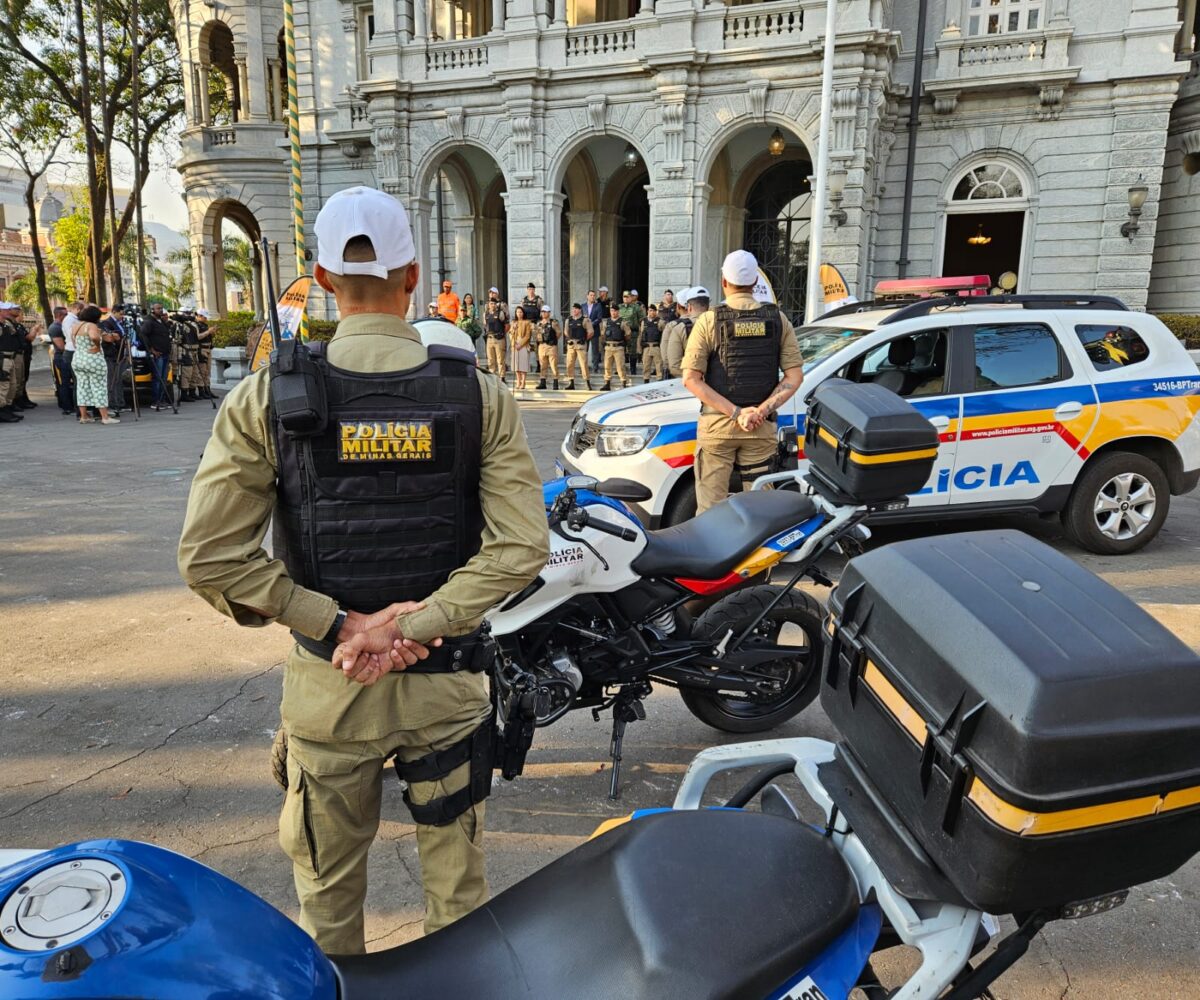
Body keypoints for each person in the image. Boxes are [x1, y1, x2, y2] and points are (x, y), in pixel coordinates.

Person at [177, 184, 548, 955]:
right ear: (414, 275)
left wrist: (339, 624)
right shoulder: (479, 397)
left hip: (330, 684)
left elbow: (211, 557)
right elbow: (520, 547)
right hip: (447, 684)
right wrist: (413, 626)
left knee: (328, 904)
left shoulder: (266, 400)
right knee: (459, 908)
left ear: (317, 276)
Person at [683, 250, 803, 513]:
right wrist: (760, 411)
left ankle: (713, 553)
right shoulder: (778, 320)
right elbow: (794, 377)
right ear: (754, 283)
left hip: (718, 428)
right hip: (760, 429)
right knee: (762, 512)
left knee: (710, 510)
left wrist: (736, 413)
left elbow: (691, 379)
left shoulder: (708, 321)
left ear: (724, 281)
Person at [71, 306, 119, 424]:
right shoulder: (91, 325)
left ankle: (84, 416)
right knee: (99, 387)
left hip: (78, 359)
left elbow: (74, 342)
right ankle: (105, 417)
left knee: (82, 387)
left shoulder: (76, 326)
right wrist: (97, 346)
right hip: (93, 360)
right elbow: (94, 337)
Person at [663, 286, 705, 379]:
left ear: (678, 306)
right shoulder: (709, 322)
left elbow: (667, 359)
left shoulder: (672, 326)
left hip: (681, 377)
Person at [139, 303, 174, 411]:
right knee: (158, 379)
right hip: (157, 355)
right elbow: (142, 335)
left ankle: (162, 400)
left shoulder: (161, 321)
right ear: (152, 310)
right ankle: (156, 401)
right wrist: (151, 350)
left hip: (165, 353)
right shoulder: (149, 321)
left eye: (161, 308)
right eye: (158, 308)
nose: (160, 310)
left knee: (163, 378)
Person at [99, 304, 129, 415]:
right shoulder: (106, 323)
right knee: (112, 381)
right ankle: (113, 404)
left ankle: (120, 402)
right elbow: (109, 339)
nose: (122, 316)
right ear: (114, 312)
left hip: (120, 355)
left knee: (118, 380)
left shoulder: (121, 323)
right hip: (111, 355)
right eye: (120, 314)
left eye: (123, 314)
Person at [47, 306, 74, 415]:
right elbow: (61, 346)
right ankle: (67, 407)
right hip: (62, 358)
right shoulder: (55, 328)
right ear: (59, 315)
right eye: (65, 314)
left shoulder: (62, 326)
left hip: (65, 357)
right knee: (64, 383)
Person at [0, 302, 24, 423]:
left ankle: (7, 407)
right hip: (2, 358)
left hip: (11, 357)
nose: (7, 312)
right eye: (5, 310)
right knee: (3, 385)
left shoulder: (6, 325)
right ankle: (2, 410)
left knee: (12, 385)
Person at [600, 302, 630, 391]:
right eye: (612, 311)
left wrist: (623, 342)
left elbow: (628, 334)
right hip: (608, 347)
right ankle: (607, 383)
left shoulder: (623, 322)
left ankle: (624, 383)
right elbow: (603, 334)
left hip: (618, 347)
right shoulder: (606, 322)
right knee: (607, 366)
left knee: (620, 366)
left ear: (618, 312)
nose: (613, 313)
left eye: (615, 311)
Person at [563, 302, 593, 390]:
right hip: (571, 345)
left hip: (580, 344)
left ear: (580, 310)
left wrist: (584, 339)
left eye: (576, 309)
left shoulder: (585, 320)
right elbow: (566, 331)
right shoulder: (568, 320)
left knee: (583, 364)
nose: (574, 310)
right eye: (573, 309)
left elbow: (591, 332)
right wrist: (568, 339)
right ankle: (571, 382)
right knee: (569, 363)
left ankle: (587, 382)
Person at [10, 305, 36, 410]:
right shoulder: (10, 325)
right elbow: (28, 338)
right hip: (16, 355)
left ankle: (20, 400)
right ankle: (13, 403)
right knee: (14, 382)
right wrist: (34, 329)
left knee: (21, 380)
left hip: (22, 354)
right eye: (17, 311)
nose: (20, 313)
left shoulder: (19, 326)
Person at [483, 287, 509, 379]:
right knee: (490, 360)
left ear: (497, 294)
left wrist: (502, 334)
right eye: (490, 293)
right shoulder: (486, 306)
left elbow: (506, 322)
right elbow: (485, 323)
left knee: (500, 359)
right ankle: (492, 377)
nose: (491, 294)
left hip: (499, 337)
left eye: (493, 293)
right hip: (490, 336)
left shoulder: (502, 305)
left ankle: (502, 377)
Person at [535, 304, 561, 390]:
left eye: (545, 312)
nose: (543, 313)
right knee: (543, 365)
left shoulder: (553, 322)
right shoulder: (539, 323)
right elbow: (536, 334)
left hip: (551, 346)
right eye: (542, 312)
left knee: (553, 365)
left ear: (549, 313)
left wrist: (553, 340)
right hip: (542, 345)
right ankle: (543, 382)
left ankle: (555, 382)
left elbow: (558, 333)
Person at [638, 303, 664, 382]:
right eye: (650, 311)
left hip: (656, 347)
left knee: (659, 366)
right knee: (646, 366)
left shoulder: (660, 321)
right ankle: (646, 382)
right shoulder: (644, 322)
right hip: (646, 347)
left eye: (653, 311)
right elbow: (640, 335)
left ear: (656, 312)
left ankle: (660, 380)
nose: (651, 312)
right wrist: (639, 349)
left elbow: (665, 335)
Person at [510, 305, 533, 390]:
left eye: (520, 312)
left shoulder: (527, 322)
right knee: (516, 364)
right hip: (515, 344)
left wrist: (521, 344)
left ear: (523, 313)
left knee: (523, 364)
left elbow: (528, 335)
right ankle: (518, 381)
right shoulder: (513, 323)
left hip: (523, 344)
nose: (519, 314)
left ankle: (523, 382)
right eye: (517, 312)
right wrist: (513, 329)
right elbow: (510, 334)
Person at [195, 309, 215, 400]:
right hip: (201, 349)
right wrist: (208, 332)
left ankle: (208, 389)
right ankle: (201, 391)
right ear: (199, 316)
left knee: (207, 371)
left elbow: (207, 336)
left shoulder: (205, 325)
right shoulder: (196, 325)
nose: (206, 319)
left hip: (208, 348)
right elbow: (198, 337)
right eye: (204, 317)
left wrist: (212, 333)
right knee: (202, 371)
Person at [586, 289, 605, 370]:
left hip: (595, 330)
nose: (593, 297)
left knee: (595, 349)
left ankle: (595, 367)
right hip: (584, 332)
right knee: (583, 350)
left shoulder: (598, 306)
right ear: (587, 296)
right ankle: (584, 366)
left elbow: (599, 318)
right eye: (591, 295)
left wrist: (590, 325)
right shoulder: (583, 306)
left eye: (594, 295)